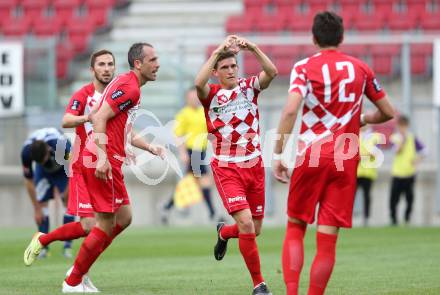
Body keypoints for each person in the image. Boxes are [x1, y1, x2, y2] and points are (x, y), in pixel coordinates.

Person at [272, 11, 395, 295]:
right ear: (342, 38)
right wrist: (363, 119)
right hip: (345, 160)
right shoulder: (361, 69)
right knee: (327, 241)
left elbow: (291, 109)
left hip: (312, 156)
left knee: (296, 227)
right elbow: (388, 112)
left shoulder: (304, 68)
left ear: (313, 38)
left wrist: (278, 152)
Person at [62, 43, 165, 292]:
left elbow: (122, 126)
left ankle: (80, 268)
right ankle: (74, 279)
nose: (157, 64)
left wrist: (149, 147)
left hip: (111, 159)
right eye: (153, 59)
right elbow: (98, 117)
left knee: (125, 217)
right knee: (105, 223)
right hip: (101, 159)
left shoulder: (129, 84)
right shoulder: (130, 87)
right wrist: (101, 156)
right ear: (138, 64)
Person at [23, 49, 116, 288]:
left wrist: (143, 145)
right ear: (92, 70)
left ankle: (79, 269)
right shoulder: (83, 94)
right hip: (84, 165)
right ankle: (53, 247)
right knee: (90, 226)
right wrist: (87, 118)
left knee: (118, 220)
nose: (106, 68)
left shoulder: (115, 96)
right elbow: (65, 120)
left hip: (106, 164)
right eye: (102, 64)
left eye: (110, 64)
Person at [195, 35, 278, 295]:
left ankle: (224, 233)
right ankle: (259, 284)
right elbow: (198, 82)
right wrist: (218, 50)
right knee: (246, 224)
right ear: (216, 72)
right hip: (227, 167)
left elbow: (272, 71)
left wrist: (252, 47)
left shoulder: (249, 87)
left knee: (255, 229)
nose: (231, 71)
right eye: (225, 67)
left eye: (234, 66)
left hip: (254, 165)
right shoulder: (211, 95)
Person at [161, 87, 216, 224]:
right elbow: (178, 135)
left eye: (196, 97)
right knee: (204, 181)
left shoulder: (203, 112)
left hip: (201, 151)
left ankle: (167, 207)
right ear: (187, 99)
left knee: (191, 183)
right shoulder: (183, 114)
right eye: (191, 97)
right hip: (192, 152)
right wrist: (183, 152)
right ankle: (212, 213)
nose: (194, 99)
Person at [21, 127, 73, 259]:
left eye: (43, 160)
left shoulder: (61, 144)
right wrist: (36, 207)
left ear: (48, 151)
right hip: (43, 173)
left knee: (69, 202)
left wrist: (68, 190)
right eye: (39, 162)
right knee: (41, 205)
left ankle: (67, 247)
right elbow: (28, 180)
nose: (43, 163)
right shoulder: (26, 152)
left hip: (64, 169)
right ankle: (43, 248)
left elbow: (74, 166)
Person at [389, 115, 425, 225]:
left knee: (409, 198)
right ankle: (393, 219)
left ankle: (407, 218)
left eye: (404, 126)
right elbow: (396, 151)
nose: (402, 129)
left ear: (407, 126)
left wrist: (417, 160)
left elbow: (424, 150)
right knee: (394, 198)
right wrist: (402, 141)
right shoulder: (394, 138)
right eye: (400, 126)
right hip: (397, 173)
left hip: (409, 173)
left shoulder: (412, 138)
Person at [356, 126, 382, 226]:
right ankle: (349, 217)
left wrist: (362, 156)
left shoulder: (374, 136)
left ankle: (367, 218)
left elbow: (376, 153)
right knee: (351, 196)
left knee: (367, 196)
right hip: (356, 171)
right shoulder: (355, 134)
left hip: (368, 171)